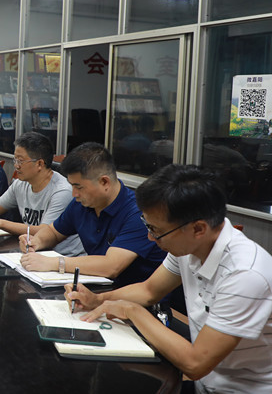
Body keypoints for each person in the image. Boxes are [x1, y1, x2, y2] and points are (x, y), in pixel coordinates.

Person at [67, 165, 272, 393]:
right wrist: (98, 300)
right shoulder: (188, 247)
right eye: (147, 226)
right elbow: (149, 291)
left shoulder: (245, 275)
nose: (150, 237)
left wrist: (133, 311)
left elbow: (195, 364)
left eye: (156, 230)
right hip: (206, 384)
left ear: (198, 229)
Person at [18, 142, 166, 288]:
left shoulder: (138, 212)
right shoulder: (82, 204)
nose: (74, 194)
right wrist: (36, 241)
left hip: (136, 295)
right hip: (98, 288)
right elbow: (53, 232)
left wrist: (54, 263)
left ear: (104, 182)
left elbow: (111, 266)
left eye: (79, 187)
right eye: (72, 186)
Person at [0, 132, 84, 257]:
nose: (16, 166)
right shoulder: (20, 184)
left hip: (63, 256)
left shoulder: (62, 191)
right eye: (15, 160)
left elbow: (44, 231)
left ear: (39, 164)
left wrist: (0, 223)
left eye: (20, 161)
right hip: (34, 251)